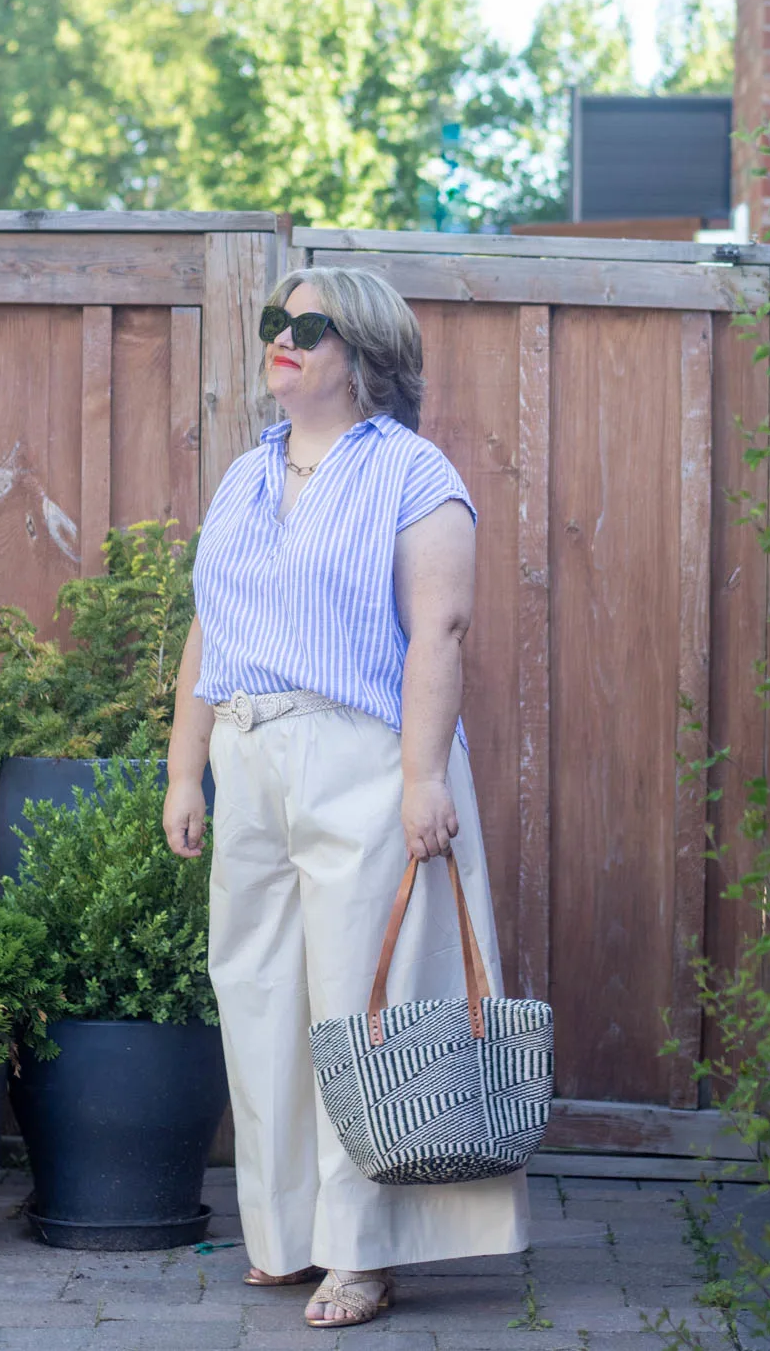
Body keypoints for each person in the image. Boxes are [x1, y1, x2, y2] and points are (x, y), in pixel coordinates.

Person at [163, 266, 529, 1329]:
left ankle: (365, 1252)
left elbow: (439, 634)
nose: (283, 336)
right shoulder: (246, 476)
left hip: (367, 758)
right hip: (252, 755)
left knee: (362, 1012)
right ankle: (287, 1238)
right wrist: (188, 768)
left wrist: (423, 778)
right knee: (262, 996)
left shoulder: (416, 474)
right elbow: (208, 632)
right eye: (276, 321)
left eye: (307, 324)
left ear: (360, 351)